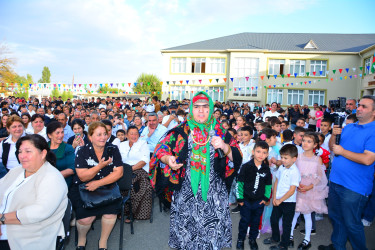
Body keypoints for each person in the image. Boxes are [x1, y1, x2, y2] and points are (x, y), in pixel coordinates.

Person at [149, 91, 242, 249]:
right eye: (197, 106)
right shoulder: (181, 131)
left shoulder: (221, 132)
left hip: (214, 195)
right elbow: (161, 149)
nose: (201, 110)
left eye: (205, 107)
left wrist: (225, 146)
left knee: (211, 236)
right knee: (187, 237)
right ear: (191, 109)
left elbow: (238, 158)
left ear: (211, 109)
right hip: (186, 194)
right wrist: (168, 159)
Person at [319, 96, 375, 250]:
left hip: (355, 187)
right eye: (359, 105)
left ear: (374, 112)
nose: (359, 108)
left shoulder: (373, 131)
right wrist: (335, 135)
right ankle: (338, 246)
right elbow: (333, 147)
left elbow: (368, 159)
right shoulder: (349, 127)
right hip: (336, 181)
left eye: (364, 106)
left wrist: (343, 151)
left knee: (352, 223)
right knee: (336, 219)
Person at [0, 134, 68, 250]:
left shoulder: (52, 177)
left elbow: (39, 211)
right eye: (20, 151)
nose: (22, 156)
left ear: (43, 154)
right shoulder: (16, 171)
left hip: (30, 235)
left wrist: (2, 219)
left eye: (28, 151)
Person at [70, 122, 124, 250]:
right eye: (99, 134)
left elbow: (119, 173)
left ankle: (103, 241)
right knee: (86, 219)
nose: (103, 137)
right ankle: (82, 239)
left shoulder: (113, 149)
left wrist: (98, 183)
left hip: (107, 189)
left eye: (105, 134)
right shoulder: (82, 151)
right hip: (85, 189)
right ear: (90, 137)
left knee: (110, 214)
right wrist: (100, 166)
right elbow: (83, 176)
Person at [290, 132, 328, 249]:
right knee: (294, 213)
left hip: (310, 191)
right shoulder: (298, 157)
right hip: (298, 189)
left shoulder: (318, 160)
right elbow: (293, 172)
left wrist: (310, 186)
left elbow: (319, 177)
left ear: (315, 145)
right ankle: (290, 236)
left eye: (309, 141)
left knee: (307, 214)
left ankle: (307, 239)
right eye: (304, 140)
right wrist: (297, 184)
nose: (305, 143)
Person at [236, 141, 272, 250]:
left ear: (267, 154)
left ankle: (252, 239)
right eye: (258, 152)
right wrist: (240, 198)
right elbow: (239, 183)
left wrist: (266, 198)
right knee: (245, 220)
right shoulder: (246, 167)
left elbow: (268, 185)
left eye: (264, 152)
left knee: (255, 222)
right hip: (246, 200)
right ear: (253, 152)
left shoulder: (266, 169)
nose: (261, 155)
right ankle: (240, 239)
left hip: (259, 201)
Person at [263, 144, 300, 250]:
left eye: (285, 158)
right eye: (282, 157)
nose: (282, 160)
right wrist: (274, 197)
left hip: (288, 202)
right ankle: (275, 238)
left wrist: (280, 200)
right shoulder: (281, 168)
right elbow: (276, 182)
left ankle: (284, 245)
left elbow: (292, 190)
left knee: (286, 224)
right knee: (273, 219)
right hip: (277, 200)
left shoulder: (295, 172)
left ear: (294, 159)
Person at [119, 126, 152, 221]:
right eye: (131, 133)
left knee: (136, 185)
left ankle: (133, 213)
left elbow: (144, 160)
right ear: (126, 135)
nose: (134, 136)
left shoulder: (142, 143)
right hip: (124, 170)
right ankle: (121, 210)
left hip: (139, 169)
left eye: (136, 134)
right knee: (116, 183)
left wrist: (130, 169)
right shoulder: (122, 145)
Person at [47, 121, 76, 187]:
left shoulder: (68, 148)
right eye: (57, 133)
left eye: (62, 132)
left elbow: (72, 169)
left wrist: (53, 177)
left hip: (64, 184)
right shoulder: (44, 148)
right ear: (49, 135)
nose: (61, 135)